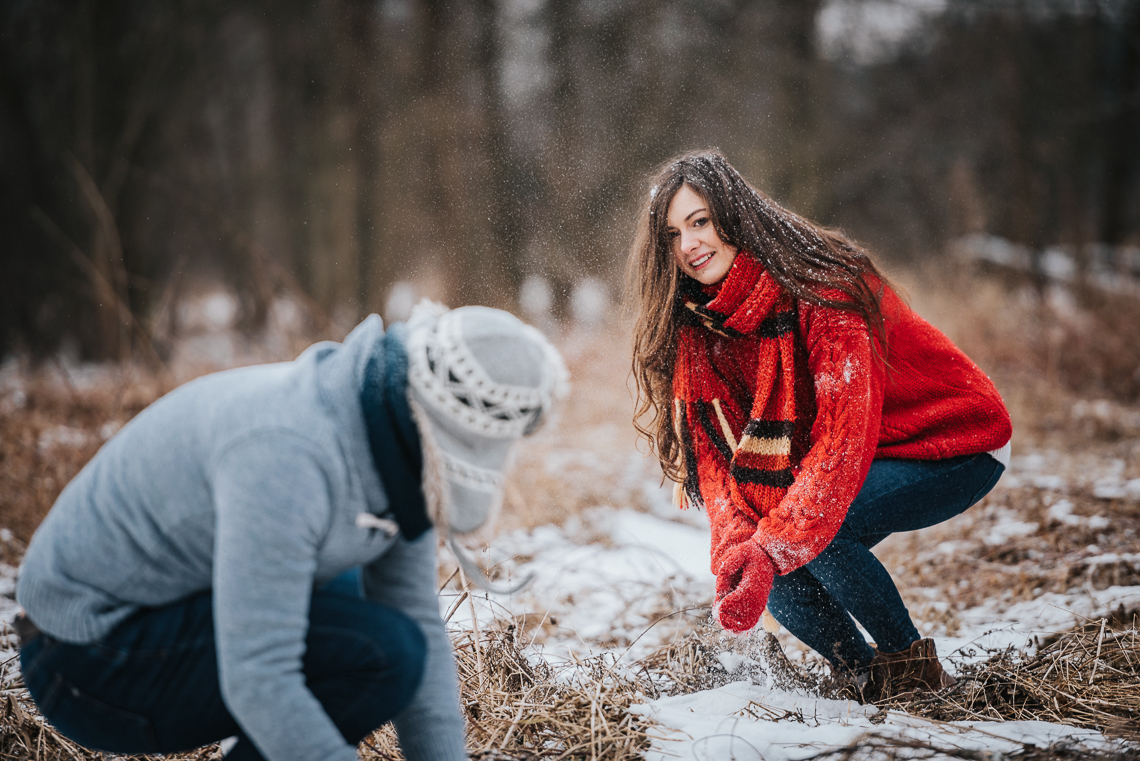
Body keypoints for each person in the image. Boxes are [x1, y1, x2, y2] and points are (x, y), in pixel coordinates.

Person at [15, 303, 566, 761]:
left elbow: (417, 617)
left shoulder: (395, 424)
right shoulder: (289, 453)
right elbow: (259, 677)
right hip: (82, 661)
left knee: (392, 632)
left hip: (169, 609)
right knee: (378, 650)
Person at [628, 151, 1011, 700]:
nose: (688, 245)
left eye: (700, 222)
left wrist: (779, 537)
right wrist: (740, 547)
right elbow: (712, 464)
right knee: (769, 554)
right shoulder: (698, 329)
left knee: (814, 533)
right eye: (672, 234)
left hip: (954, 443)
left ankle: (916, 678)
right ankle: (863, 679)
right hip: (868, 455)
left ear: (734, 216)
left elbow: (842, 439)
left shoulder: (820, 286)